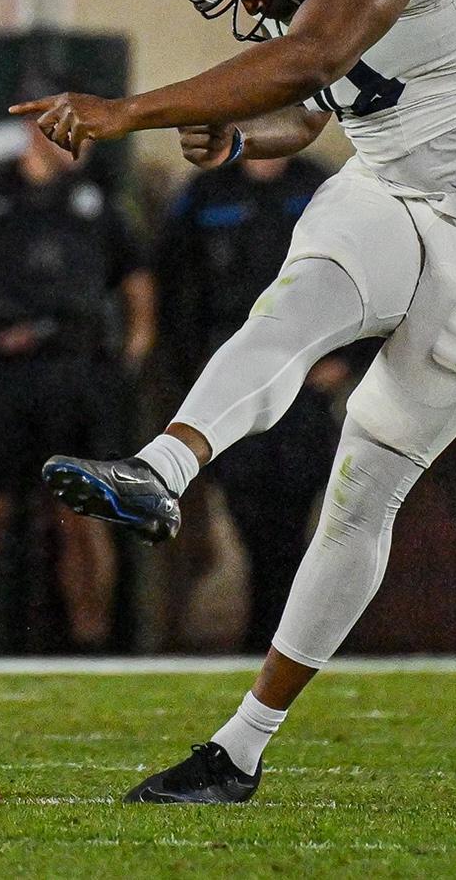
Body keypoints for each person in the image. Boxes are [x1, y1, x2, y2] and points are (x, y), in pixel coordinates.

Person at [17, 0, 456, 803]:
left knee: (365, 479)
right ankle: (161, 470)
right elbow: (314, 101)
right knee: (296, 300)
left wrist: (131, 112)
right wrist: (238, 131)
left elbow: (315, 54)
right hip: (411, 184)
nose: (251, 10)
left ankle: (245, 741)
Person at [0, 109, 154, 651]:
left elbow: (137, 281)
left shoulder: (102, 201)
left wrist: (132, 352)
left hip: (76, 375)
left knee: (82, 515)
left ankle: (92, 644)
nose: (81, 143)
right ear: (36, 132)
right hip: (1, 376)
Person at [154, 149, 340, 650]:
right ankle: (239, 639)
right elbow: (172, 289)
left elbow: (368, 272)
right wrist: (194, 370)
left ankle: (283, 638)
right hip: (232, 384)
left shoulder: (322, 187)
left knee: (297, 510)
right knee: (236, 512)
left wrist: (348, 359)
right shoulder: (207, 193)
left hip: (304, 378)